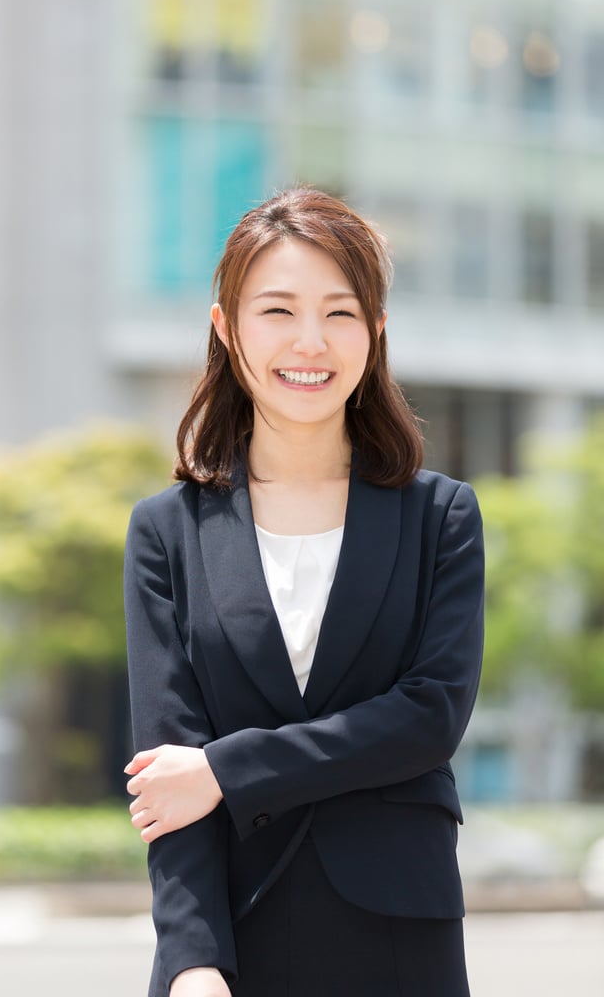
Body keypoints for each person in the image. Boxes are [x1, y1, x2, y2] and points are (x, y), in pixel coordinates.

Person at [123, 188, 484, 997]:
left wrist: (225, 770)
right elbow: (165, 778)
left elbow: (429, 718)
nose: (311, 343)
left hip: (400, 943)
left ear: (377, 331)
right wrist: (191, 962)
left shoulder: (439, 517)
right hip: (232, 942)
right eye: (278, 310)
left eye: (341, 313)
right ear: (226, 329)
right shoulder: (166, 532)